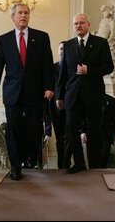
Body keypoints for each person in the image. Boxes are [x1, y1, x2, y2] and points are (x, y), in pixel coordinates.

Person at [0, 2, 55, 180]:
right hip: (13, 93)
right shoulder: (3, 40)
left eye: (26, 13)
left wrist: (49, 86)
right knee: (13, 130)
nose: (23, 15)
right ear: (13, 17)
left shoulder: (41, 37)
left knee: (34, 130)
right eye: (20, 13)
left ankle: (29, 157)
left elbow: (47, 65)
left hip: (35, 92)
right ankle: (15, 167)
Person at [57, 13, 114, 173]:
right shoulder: (68, 45)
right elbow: (63, 73)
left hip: (93, 96)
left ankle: (94, 166)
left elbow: (109, 67)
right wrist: (60, 95)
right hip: (72, 96)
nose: (78, 26)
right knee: (71, 130)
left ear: (88, 25)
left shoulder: (101, 43)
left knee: (94, 131)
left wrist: (89, 70)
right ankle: (79, 164)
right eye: (75, 24)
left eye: (81, 23)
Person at [46, 41, 71, 169]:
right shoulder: (52, 68)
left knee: (69, 137)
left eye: (65, 49)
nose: (62, 51)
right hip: (55, 108)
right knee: (60, 139)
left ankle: (66, 164)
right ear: (58, 51)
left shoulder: (73, 67)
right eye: (60, 49)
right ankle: (61, 166)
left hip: (71, 107)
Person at [99, 93, 115, 168]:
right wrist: (83, 132)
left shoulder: (111, 100)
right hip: (94, 132)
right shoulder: (90, 98)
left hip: (107, 133)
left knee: (105, 154)